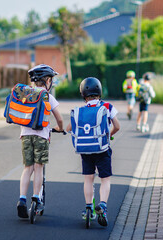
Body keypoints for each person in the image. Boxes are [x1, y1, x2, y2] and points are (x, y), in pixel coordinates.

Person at [66, 77, 120, 227]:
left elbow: (69, 128)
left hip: (86, 150)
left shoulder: (81, 111)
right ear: (100, 91)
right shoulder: (107, 106)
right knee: (105, 179)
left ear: (83, 94)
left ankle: (89, 207)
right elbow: (117, 125)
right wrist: (109, 134)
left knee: (88, 179)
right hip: (102, 148)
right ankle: (102, 205)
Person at [16, 64, 64, 218]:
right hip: (41, 136)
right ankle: (36, 197)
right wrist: (59, 128)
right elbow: (59, 118)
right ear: (47, 80)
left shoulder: (26, 95)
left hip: (25, 135)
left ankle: (22, 199)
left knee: (27, 168)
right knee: (38, 167)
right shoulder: (47, 96)